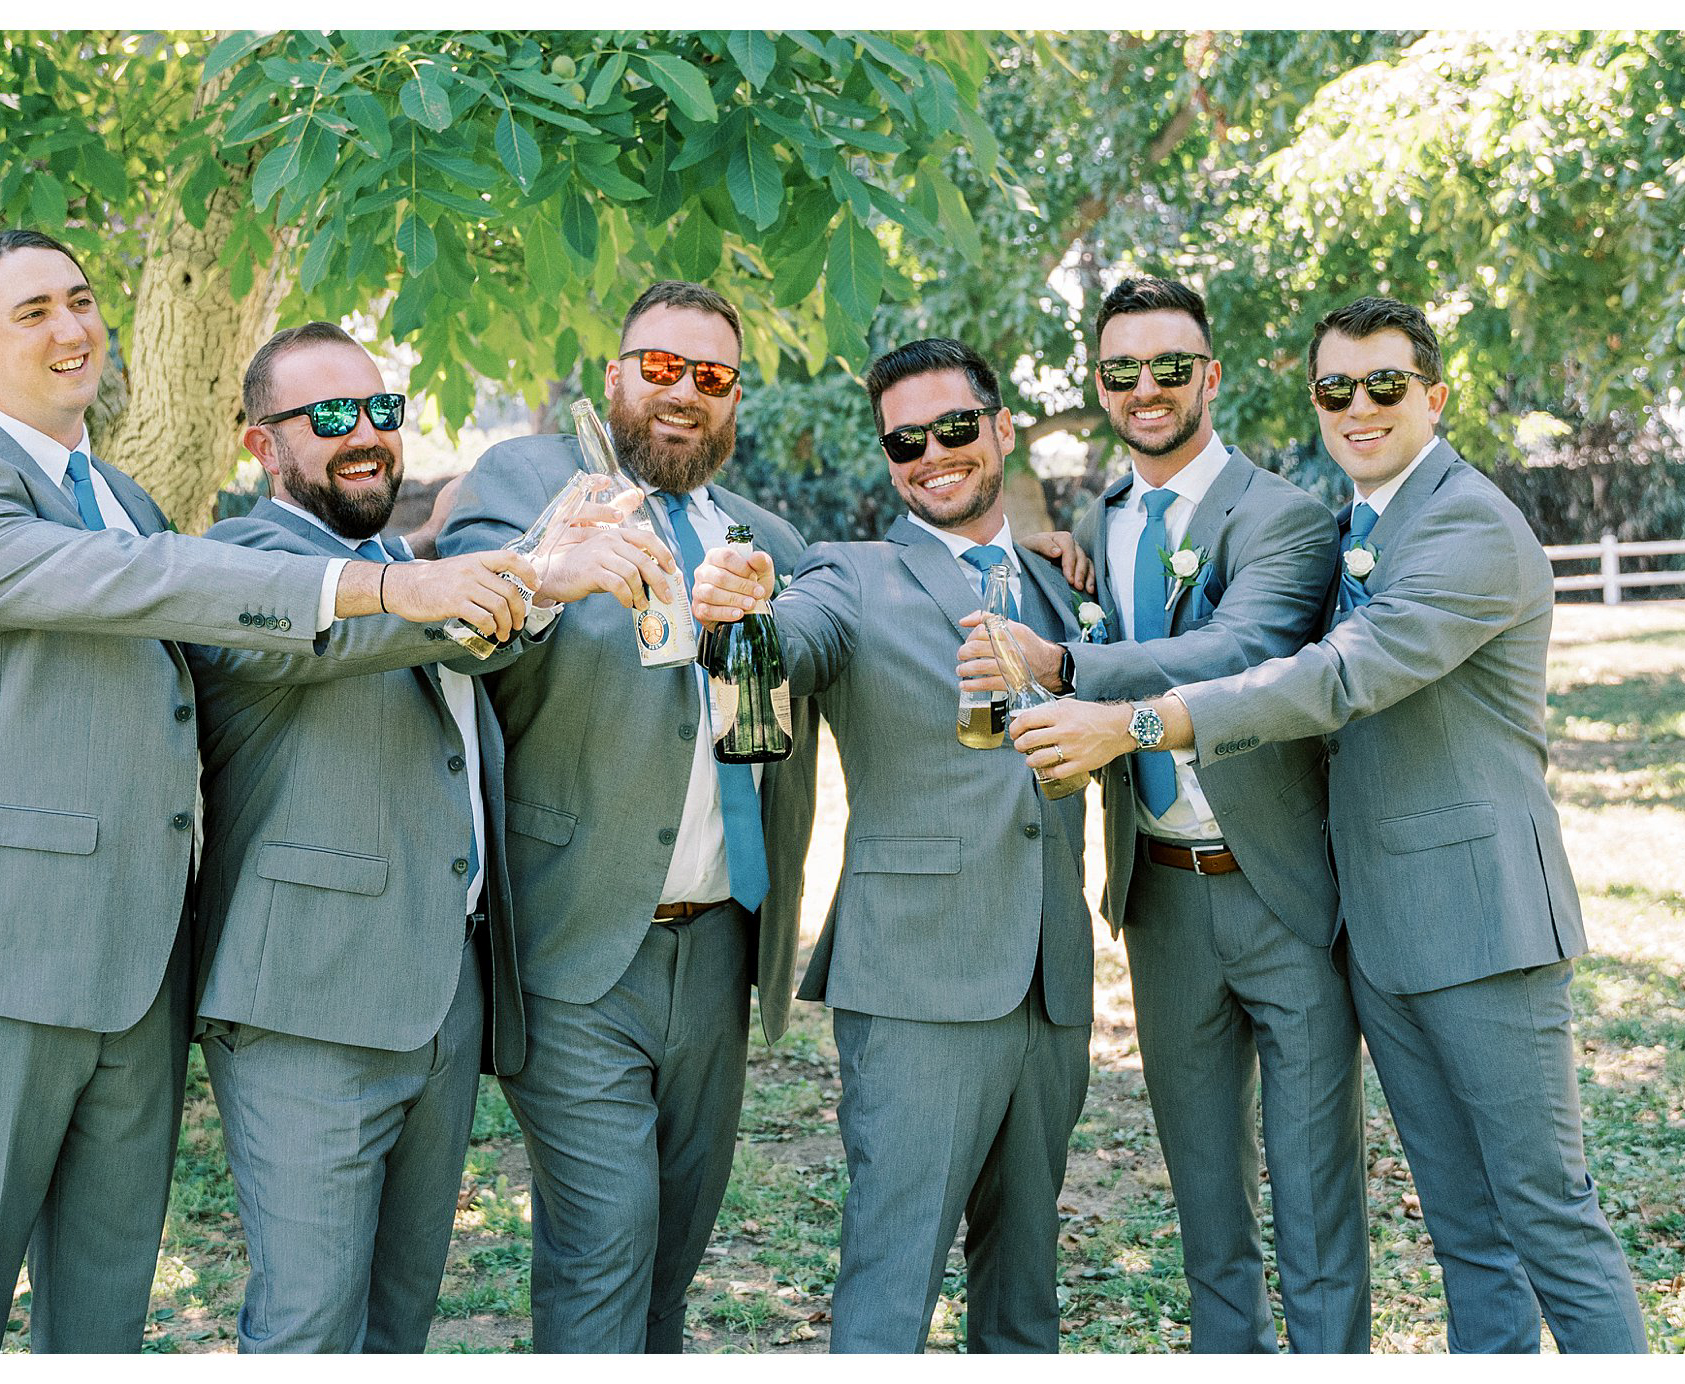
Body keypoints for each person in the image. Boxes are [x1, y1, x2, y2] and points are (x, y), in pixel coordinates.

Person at [0, 229, 533, 1352]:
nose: (71, 328)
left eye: (80, 301)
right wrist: (393, 582)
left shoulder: (120, 493)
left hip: (135, 976)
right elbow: (152, 582)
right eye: (31, 312)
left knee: (102, 1319)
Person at [1011, 297, 1649, 1353]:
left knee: (1545, 1217)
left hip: (1483, 921)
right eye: (1333, 389)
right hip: (1377, 930)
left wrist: (1132, 719)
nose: (1358, 406)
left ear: (1432, 396)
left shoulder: (1465, 523)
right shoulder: (1363, 519)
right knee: (1466, 1232)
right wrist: (1059, 562)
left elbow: (1335, 674)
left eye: (1384, 385)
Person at [182, 323, 674, 1351]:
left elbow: (470, 625)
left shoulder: (415, 565)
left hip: (442, 1000)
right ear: (259, 447)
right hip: (306, 1007)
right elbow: (370, 623)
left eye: (378, 411)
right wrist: (541, 571)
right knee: (309, 1327)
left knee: (399, 1323)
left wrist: (535, 563)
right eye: (326, 417)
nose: (361, 434)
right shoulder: (245, 561)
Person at [960, 277, 1368, 1351]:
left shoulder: (1282, 514)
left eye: (1169, 367)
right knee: (1203, 1199)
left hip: (1280, 884)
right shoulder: (1097, 517)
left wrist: (1068, 658)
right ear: (1096, 386)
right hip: (1158, 900)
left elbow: (1242, 650)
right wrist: (1043, 571)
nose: (1145, 388)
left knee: (1316, 1194)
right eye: (1119, 371)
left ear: (1211, 376)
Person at [437, 281, 820, 1353]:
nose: (683, 394)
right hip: (575, 936)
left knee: (671, 1252)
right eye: (659, 368)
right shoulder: (527, 479)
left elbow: (851, 615)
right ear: (614, 375)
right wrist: (548, 573)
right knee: (607, 1236)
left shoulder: (762, 536)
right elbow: (456, 617)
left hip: (718, 945)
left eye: (711, 377)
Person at [692, 337, 1092, 1353]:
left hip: (1052, 982)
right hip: (915, 984)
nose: (931, 454)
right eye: (903, 441)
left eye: (954, 428)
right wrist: (744, 614)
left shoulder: (1059, 585)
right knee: (889, 1282)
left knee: (1026, 1288)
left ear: (1001, 430)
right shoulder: (852, 576)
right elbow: (793, 636)